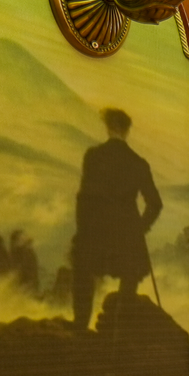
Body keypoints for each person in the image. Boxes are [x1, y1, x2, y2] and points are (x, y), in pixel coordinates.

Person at [72, 108, 161, 328]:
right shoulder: (138, 162)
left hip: (96, 231)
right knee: (130, 276)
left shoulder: (93, 156)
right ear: (127, 130)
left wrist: (82, 232)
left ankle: (80, 327)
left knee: (83, 274)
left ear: (108, 127)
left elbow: (84, 197)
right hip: (126, 235)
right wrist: (140, 228)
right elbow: (155, 204)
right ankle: (120, 331)